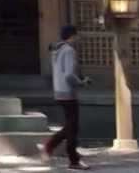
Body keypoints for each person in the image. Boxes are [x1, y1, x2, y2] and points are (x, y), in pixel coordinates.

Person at [43, 24, 92, 170]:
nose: (78, 37)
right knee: (72, 127)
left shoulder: (56, 50)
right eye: (76, 34)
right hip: (68, 92)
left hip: (58, 90)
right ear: (72, 35)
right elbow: (69, 74)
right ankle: (72, 159)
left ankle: (53, 146)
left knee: (71, 125)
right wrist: (81, 82)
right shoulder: (69, 51)